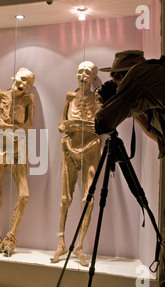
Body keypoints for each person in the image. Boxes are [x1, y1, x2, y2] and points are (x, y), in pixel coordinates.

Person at [95, 53, 165, 287]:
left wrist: (110, 103)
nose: (117, 85)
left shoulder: (139, 77)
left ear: (123, 75)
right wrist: (129, 109)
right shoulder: (164, 78)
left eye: (116, 80)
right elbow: (159, 136)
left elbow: (102, 123)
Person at [50, 61, 102, 266]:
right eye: (80, 71)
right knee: (65, 197)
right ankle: (61, 241)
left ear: (92, 77)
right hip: (70, 145)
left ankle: (80, 246)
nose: (82, 76)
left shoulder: (97, 98)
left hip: (91, 146)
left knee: (87, 198)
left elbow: (101, 125)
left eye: (87, 73)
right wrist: (68, 125)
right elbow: (61, 124)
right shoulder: (69, 97)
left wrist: (86, 126)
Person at [0, 67, 35, 256]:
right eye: (22, 79)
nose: (24, 84)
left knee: (24, 195)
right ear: (15, 77)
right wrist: (5, 126)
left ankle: (11, 236)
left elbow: (28, 124)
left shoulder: (28, 99)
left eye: (28, 83)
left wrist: (12, 128)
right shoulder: (0, 94)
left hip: (18, 147)